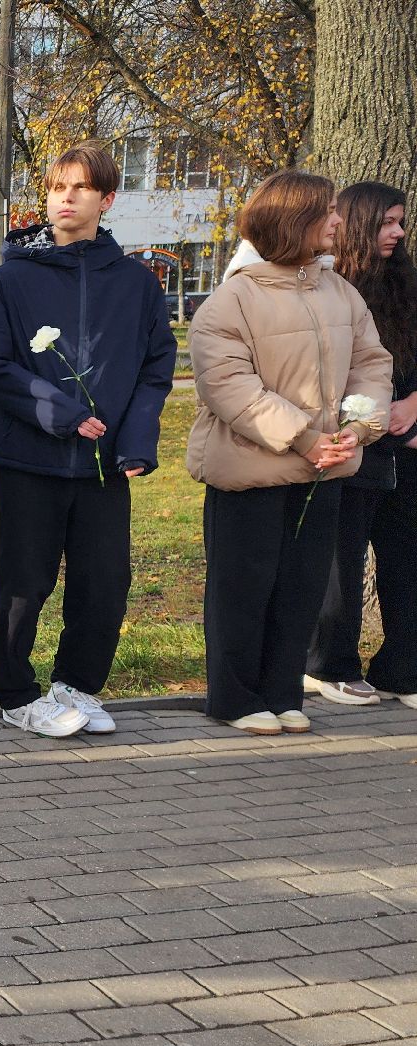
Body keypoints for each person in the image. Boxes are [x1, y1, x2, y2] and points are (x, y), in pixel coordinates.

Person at [0, 141, 177, 738]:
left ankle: (77, 687)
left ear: (106, 200)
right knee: (22, 583)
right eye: (58, 187)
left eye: (80, 188)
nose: (66, 197)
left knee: (103, 584)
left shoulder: (136, 283)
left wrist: (135, 443)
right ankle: (17, 694)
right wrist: (58, 413)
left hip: (105, 465)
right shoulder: (12, 277)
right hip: (28, 458)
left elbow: (155, 367)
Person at [189, 170, 393, 733]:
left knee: (301, 588)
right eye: (327, 210)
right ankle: (233, 699)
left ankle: (283, 695)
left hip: (323, 472)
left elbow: (371, 364)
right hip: (249, 474)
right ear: (293, 219)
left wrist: (359, 425)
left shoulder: (339, 291)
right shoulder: (232, 299)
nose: (338, 220)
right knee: (242, 588)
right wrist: (305, 437)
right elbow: (229, 386)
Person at [304, 183, 417, 709]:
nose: (396, 232)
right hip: (351, 442)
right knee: (340, 560)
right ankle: (329, 665)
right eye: (386, 222)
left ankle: (404, 667)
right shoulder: (330, 286)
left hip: (407, 446)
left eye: (401, 221)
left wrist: (414, 408)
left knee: (406, 559)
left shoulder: (410, 285)